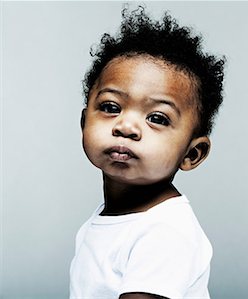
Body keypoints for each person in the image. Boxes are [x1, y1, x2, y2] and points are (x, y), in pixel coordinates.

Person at [69, 6, 225, 299]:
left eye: (157, 118)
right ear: (83, 123)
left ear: (192, 154)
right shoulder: (105, 219)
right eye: (111, 108)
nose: (126, 126)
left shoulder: (164, 232)